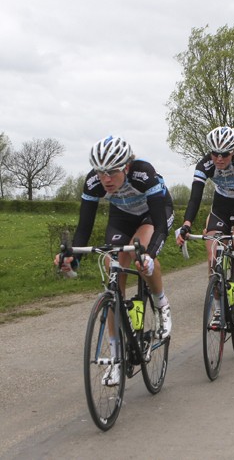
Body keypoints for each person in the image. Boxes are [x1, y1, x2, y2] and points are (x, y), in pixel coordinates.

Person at [55, 135, 174, 386]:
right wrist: (72, 258)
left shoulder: (143, 173)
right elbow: (84, 227)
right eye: (101, 172)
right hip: (122, 216)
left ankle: (161, 304)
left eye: (112, 172)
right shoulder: (93, 182)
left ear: (126, 167)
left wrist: (150, 255)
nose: (106, 179)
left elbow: (160, 226)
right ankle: (116, 358)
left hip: (154, 213)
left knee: (140, 254)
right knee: (113, 268)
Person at [176, 126, 234, 324]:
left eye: (224, 154)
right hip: (221, 204)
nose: (219, 159)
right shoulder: (204, 164)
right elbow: (195, 197)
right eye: (215, 154)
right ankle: (219, 309)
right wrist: (186, 224)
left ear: (233, 151)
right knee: (212, 255)